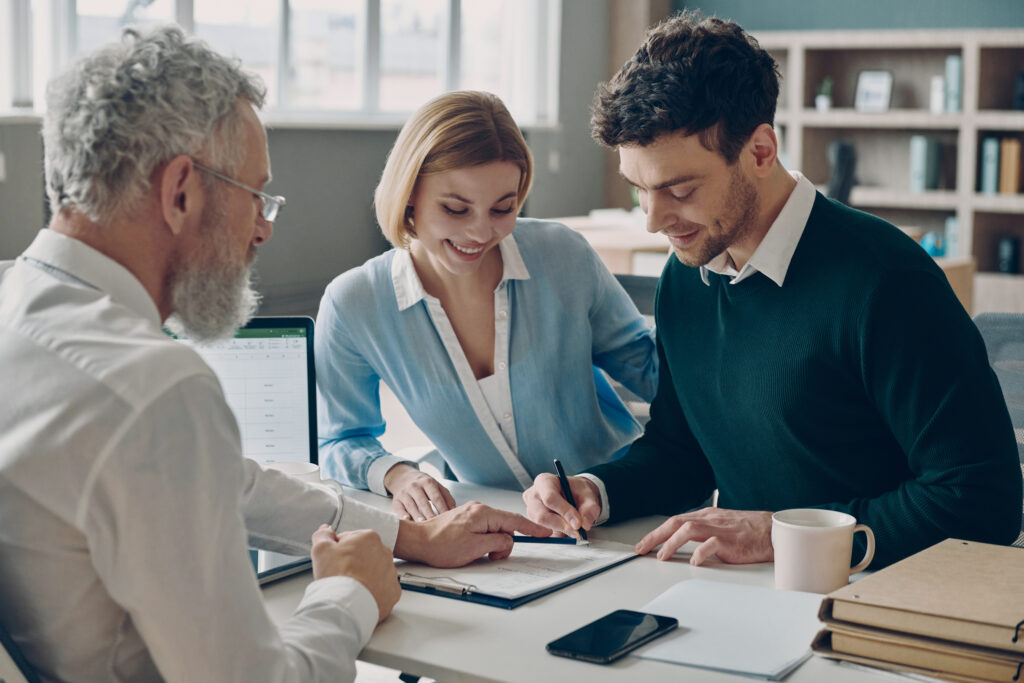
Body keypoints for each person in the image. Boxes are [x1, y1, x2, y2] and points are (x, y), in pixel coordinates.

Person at [0, 26, 550, 682]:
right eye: (255, 195)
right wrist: (351, 593)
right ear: (181, 190)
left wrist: (411, 537)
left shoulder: (22, 309)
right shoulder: (151, 387)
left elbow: (233, 484)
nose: (262, 228)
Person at [524, 11, 1022, 569]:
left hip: (874, 605)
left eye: (680, 189)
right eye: (639, 188)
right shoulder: (687, 277)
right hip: (739, 593)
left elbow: (983, 501)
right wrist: (596, 490)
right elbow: (681, 453)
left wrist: (780, 534)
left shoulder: (888, 282)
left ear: (761, 151)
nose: (654, 220)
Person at [315, 91, 658, 522]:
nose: (480, 231)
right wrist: (398, 475)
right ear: (409, 194)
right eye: (456, 209)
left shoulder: (562, 254)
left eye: (503, 208)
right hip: (500, 534)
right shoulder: (354, 304)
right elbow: (340, 439)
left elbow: (650, 370)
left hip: (619, 506)